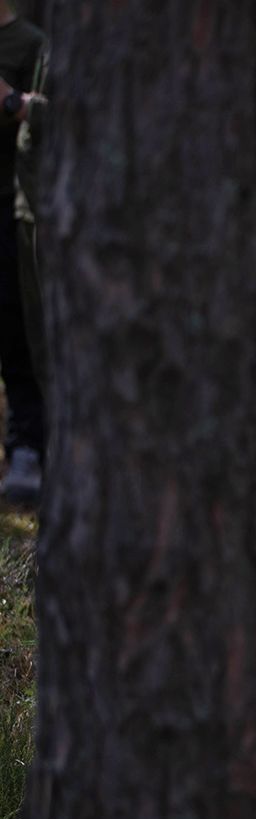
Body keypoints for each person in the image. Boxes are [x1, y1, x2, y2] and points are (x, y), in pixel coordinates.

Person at [0, 1, 43, 506]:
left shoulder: (29, 43)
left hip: (9, 208)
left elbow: (52, 112)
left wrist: (11, 99)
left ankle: (27, 448)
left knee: (16, 332)